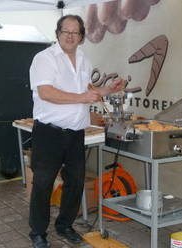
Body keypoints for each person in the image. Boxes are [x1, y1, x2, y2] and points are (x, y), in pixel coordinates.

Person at [28, 15, 125, 248]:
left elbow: (88, 91)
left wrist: (107, 89)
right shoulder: (44, 59)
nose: (70, 36)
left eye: (75, 32)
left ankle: (65, 225)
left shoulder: (83, 59)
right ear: (57, 33)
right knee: (43, 183)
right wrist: (83, 97)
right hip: (49, 133)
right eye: (66, 31)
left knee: (75, 182)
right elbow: (46, 93)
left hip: (75, 133)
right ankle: (38, 232)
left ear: (81, 37)